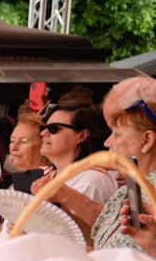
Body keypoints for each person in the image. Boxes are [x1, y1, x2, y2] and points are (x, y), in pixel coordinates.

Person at [90, 77, 156, 252]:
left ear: (147, 140)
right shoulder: (128, 189)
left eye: (117, 133)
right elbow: (101, 249)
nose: (107, 142)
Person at [34, 97, 116, 236]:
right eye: (44, 128)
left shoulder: (91, 180)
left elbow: (78, 238)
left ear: (82, 136)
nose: (43, 133)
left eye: (53, 128)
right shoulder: (44, 176)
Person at [6, 110, 47, 194]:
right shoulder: (17, 181)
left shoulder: (52, 182)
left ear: (44, 145)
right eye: (12, 141)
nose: (14, 147)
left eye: (23, 141)